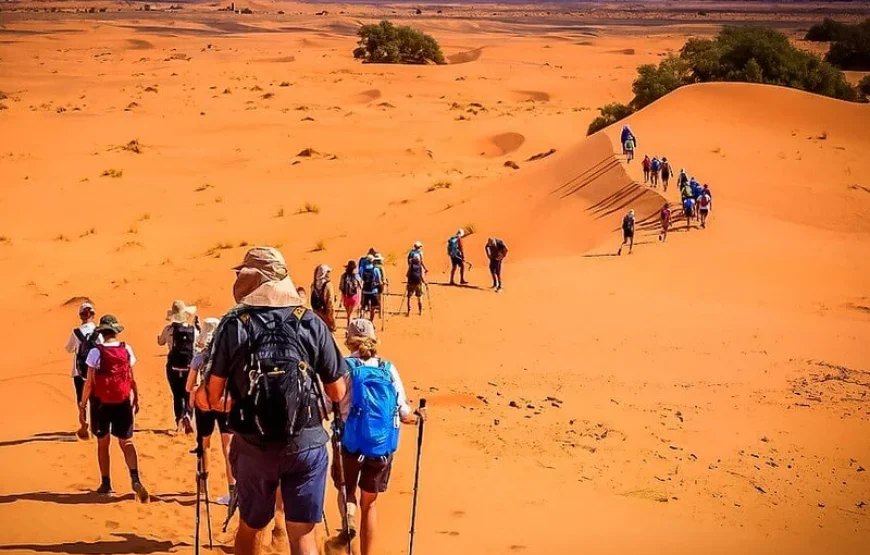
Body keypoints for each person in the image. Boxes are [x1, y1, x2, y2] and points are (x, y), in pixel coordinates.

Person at [194, 246, 348, 555]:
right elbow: (337, 392)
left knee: (251, 527)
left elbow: (212, 395)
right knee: (303, 534)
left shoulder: (233, 324)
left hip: (253, 445)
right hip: (306, 442)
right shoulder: (311, 322)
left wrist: (212, 398)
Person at [332, 319, 426, 554]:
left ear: (349, 340)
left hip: (350, 442)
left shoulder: (343, 367)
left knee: (347, 491)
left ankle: (348, 520)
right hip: (381, 446)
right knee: (370, 503)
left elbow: (329, 402)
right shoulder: (387, 368)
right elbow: (404, 413)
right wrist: (420, 415)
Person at [78, 314, 148, 502]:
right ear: (116, 331)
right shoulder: (126, 350)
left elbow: (90, 382)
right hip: (123, 401)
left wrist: (83, 404)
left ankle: (106, 483)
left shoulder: (96, 352)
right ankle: (135, 478)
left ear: (102, 332)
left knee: (103, 443)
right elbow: (131, 377)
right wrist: (136, 398)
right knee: (126, 441)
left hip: (101, 404)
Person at [185, 317, 235, 506]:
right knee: (228, 447)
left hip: (205, 403)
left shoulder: (200, 357)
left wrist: (194, 394)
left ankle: (203, 484)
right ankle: (233, 490)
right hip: (225, 403)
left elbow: (189, 385)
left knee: (204, 444)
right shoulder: (230, 357)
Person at [158, 300, 198, 434]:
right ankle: (188, 416)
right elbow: (199, 344)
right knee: (188, 393)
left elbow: (160, 342)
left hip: (173, 367)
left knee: (177, 394)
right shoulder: (193, 330)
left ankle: (179, 419)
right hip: (189, 367)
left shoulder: (169, 329)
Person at [65, 302, 101, 435]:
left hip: (78, 371)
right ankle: (95, 427)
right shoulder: (99, 332)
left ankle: (83, 422)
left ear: (80, 316)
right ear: (93, 315)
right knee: (95, 399)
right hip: (95, 371)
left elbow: (68, 349)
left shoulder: (76, 333)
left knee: (81, 399)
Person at [310, 264, 337, 332]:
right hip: (326, 314)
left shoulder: (313, 285)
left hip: (317, 314)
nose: (329, 274)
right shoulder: (328, 285)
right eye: (328, 272)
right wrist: (332, 321)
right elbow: (330, 304)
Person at [339, 260, 363, 327]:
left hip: (345, 297)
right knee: (350, 315)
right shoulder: (356, 276)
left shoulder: (343, 276)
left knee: (348, 314)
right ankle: (348, 329)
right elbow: (361, 285)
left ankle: (348, 327)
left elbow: (341, 287)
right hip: (353, 297)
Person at [361, 254, 383, 322]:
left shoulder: (363, 269)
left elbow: (362, 279)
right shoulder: (376, 269)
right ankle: (371, 321)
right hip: (374, 291)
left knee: (364, 307)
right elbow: (379, 281)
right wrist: (381, 287)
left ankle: (362, 321)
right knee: (373, 308)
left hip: (365, 291)